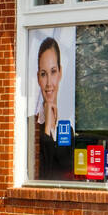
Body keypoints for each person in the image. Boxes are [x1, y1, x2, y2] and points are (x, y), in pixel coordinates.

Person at [36, 36, 73, 180]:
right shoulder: (30, 127)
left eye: (53, 71)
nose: (49, 83)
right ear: (38, 78)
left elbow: (67, 170)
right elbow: (43, 173)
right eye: (44, 74)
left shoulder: (67, 129)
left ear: (60, 72)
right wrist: (46, 129)